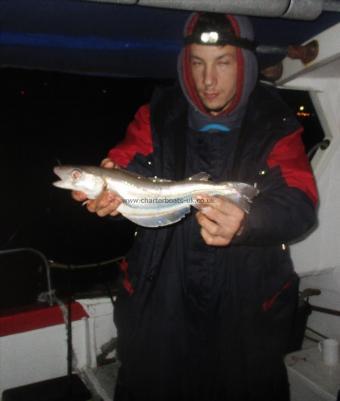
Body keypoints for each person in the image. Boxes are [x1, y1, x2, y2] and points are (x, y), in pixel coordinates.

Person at [73, 12, 318, 401]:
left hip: (247, 307)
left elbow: (300, 202)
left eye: (223, 62)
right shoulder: (155, 115)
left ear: (245, 64)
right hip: (159, 301)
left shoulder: (276, 123)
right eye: (198, 63)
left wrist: (248, 223)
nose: (208, 80)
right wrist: (106, 185)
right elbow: (124, 160)